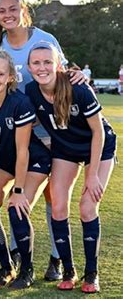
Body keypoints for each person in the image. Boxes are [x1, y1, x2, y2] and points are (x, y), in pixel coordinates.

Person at [0, 0, 86, 280]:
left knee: (55, 198)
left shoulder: (43, 38)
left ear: (24, 10)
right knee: (18, 195)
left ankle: (57, 260)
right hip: (20, 130)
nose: (7, 14)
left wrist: (78, 74)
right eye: (1, 10)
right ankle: (17, 252)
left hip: (54, 129)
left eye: (13, 9)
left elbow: (63, 70)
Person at [25, 41, 116, 293]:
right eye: (36, 62)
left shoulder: (79, 89)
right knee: (57, 206)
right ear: (29, 66)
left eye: (47, 62)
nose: (42, 67)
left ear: (57, 65)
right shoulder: (32, 91)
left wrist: (93, 175)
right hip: (65, 148)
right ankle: (68, 269)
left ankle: (91, 274)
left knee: (87, 207)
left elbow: (98, 132)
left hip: (98, 147)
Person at [0, 50, 51, 289]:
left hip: (32, 160)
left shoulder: (19, 103)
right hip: (1, 161)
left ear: (10, 77)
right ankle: (6, 267)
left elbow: (23, 151)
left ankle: (27, 269)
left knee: (17, 207)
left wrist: (18, 189)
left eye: (0, 74)